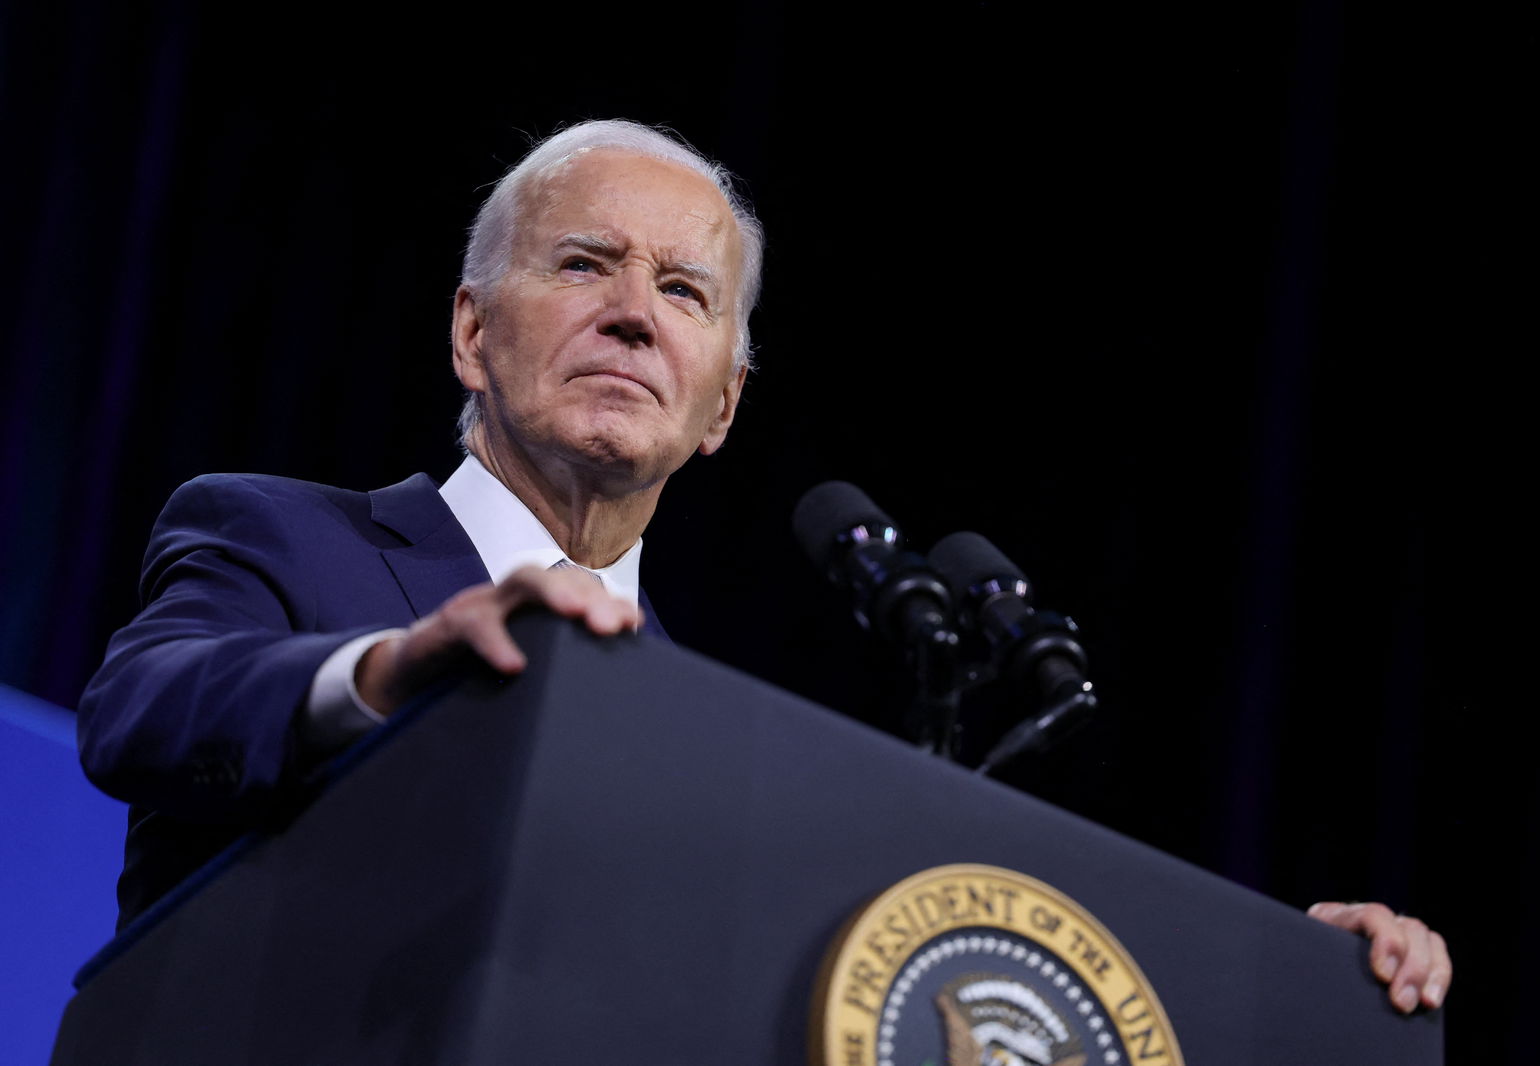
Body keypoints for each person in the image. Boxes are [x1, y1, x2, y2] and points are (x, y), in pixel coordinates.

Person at [77, 119, 1449, 1014]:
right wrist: (401, 661)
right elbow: (147, 707)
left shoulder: (704, 748)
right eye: (585, 264)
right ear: (470, 333)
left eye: (684, 294)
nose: (632, 312)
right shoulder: (278, 535)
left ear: (719, 406)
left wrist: (1293, 990)